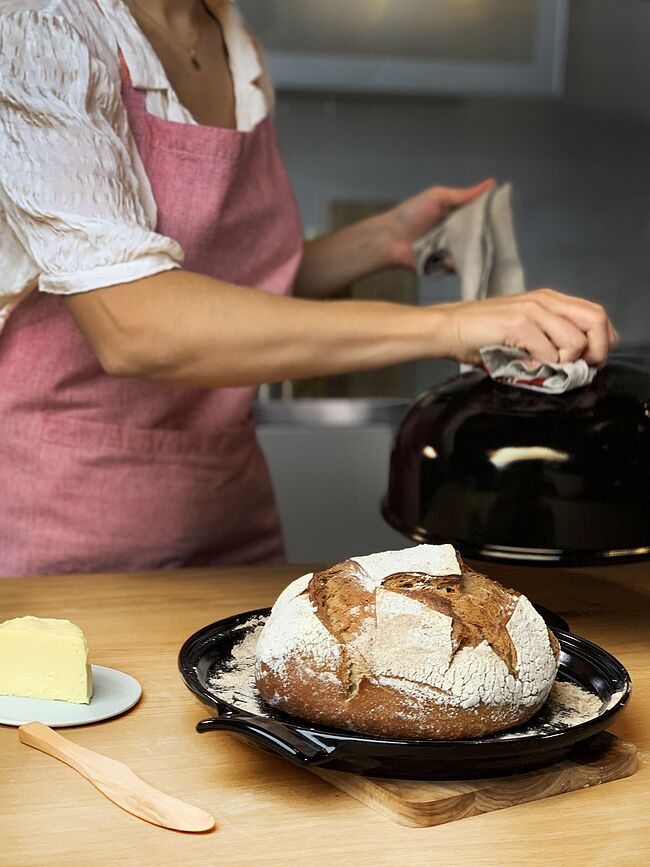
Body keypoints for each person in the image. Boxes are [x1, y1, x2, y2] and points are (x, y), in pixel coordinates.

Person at [0, 0, 616, 577]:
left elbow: (229, 288)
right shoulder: (43, 31)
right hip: (68, 530)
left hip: (227, 507)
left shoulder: (233, 41)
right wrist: (452, 324)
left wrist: (378, 241)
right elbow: (134, 323)